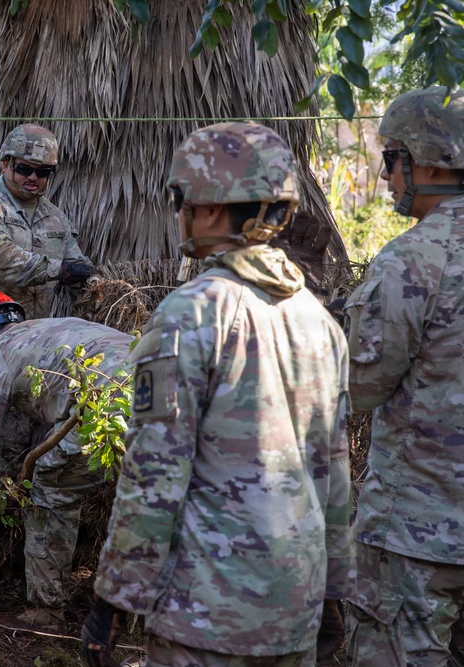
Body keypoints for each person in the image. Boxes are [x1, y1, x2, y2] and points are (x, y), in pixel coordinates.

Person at [82, 122, 353, 667]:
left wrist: (114, 598)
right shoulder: (318, 321)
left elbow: (155, 472)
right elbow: (335, 475)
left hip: (205, 612)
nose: (177, 212)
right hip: (294, 605)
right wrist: (334, 593)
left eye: (180, 199)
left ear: (207, 206)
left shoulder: (192, 312)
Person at [342, 87, 464, 667]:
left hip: (417, 532)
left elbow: (360, 388)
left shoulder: (413, 261)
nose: (386, 175)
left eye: (392, 158)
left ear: (429, 162)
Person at [0, 290, 135, 630]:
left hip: (113, 405)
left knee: (51, 487)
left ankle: (46, 611)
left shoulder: (5, 354)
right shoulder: (52, 328)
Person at [0, 123, 94, 319]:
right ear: (6, 164)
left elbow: (75, 263)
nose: (33, 177)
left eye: (43, 172)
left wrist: (94, 280)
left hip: (37, 330)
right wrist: (59, 270)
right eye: (24, 169)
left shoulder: (55, 217)